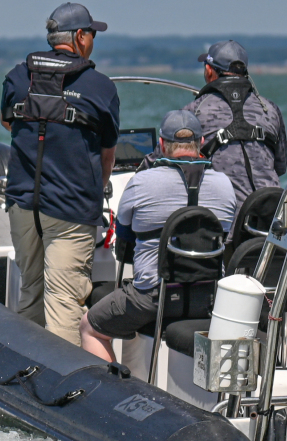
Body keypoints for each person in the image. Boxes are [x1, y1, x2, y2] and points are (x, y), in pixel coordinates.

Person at [1, 2, 120, 344]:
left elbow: (8, 122)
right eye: (92, 33)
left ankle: (23, 375)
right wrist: (95, 192)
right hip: (70, 211)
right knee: (64, 304)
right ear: (80, 37)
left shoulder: (16, 76)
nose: (93, 40)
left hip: (24, 206)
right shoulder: (100, 87)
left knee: (31, 294)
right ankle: (62, 391)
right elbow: (108, 151)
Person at [80, 110, 236, 360]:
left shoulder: (142, 182)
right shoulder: (225, 185)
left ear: (161, 144)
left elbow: (124, 242)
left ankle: (111, 390)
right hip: (209, 297)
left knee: (89, 327)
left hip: (152, 299)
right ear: (202, 143)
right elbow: (224, 238)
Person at [183, 39, 287, 206]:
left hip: (224, 220)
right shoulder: (270, 109)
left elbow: (171, 164)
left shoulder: (193, 112)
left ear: (209, 71)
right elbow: (281, 167)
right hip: (272, 216)